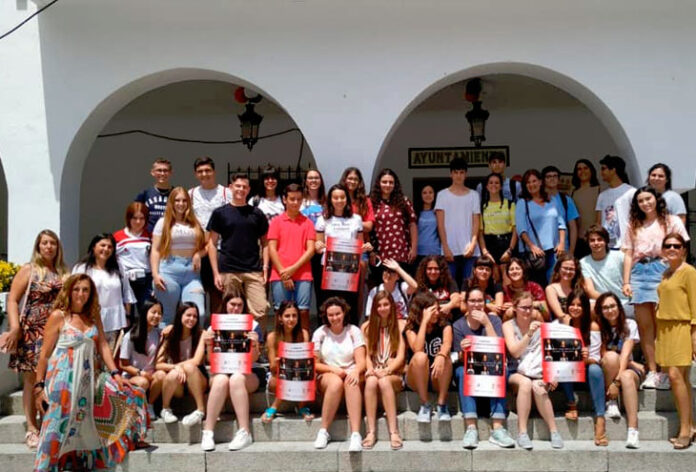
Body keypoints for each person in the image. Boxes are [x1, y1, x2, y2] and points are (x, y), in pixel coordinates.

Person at [33, 274, 148, 471]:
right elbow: (43, 355)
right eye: (76, 289)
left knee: (130, 396)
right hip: (62, 380)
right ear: (69, 291)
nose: (81, 294)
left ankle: (78, 462)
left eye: (85, 290)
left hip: (86, 379)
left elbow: (103, 345)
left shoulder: (93, 316)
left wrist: (115, 373)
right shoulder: (59, 316)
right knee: (55, 428)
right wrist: (38, 387)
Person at [0, 230, 67, 450]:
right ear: (38, 246)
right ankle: (31, 427)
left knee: (51, 378)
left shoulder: (63, 272)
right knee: (31, 379)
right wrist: (15, 327)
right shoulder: (29, 270)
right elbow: (12, 299)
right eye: (44, 243)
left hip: (56, 331)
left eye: (52, 243)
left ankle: (47, 423)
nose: (48, 247)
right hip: (32, 331)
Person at [621, 186, 689, 389]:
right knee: (645, 326)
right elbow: (628, 253)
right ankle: (652, 371)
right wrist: (626, 281)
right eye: (641, 201)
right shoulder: (633, 224)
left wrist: (678, 273)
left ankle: (666, 370)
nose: (645, 203)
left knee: (663, 324)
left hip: (663, 268)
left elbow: (682, 247)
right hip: (639, 271)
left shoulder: (671, 221)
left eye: (648, 199)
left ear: (656, 199)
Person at [200, 291, 264, 451]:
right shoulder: (214, 326)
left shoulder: (253, 325)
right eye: (232, 304)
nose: (235, 308)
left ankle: (244, 432)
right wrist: (209, 344)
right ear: (225, 305)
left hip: (248, 373)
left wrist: (254, 344)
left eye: (239, 305)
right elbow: (210, 360)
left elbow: (255, 359)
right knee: (221, 379)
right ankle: (208, 431)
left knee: (236, 378)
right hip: (221, 372)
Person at [454, 288, 515, 449]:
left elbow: (499, 351)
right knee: (463, 372)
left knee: (501, 370)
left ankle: (498, 428)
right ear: (466, 303)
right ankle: (471, 428)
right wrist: (462, 351)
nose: (476, 304)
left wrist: (487, 324)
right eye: (472, 301)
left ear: (485, 303)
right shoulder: (458, 325)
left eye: (480, 301)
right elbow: (456, 357)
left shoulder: (494, 320)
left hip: (490, 366)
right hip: (469, 367)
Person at [502, 291, 563, 450]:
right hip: (515, 371)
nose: (527, 311)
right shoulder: (508, 325)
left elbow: (549, 352)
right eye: (523, 308)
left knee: (538, 386)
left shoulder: (540, 324)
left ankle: (554, 431)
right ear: (515, 308)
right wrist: (529, 334)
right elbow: (515, 352)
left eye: (530, 307)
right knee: (526, 383)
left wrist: (551, 374)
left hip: (536, 372)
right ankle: (522, 432)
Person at [208, 173, 269, 320]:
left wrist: (265, 268)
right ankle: (231, 336)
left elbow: (265, 243)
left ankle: (255, 336)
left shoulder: (257, 214)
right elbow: (212, 244)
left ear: (249, 190)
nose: (241, 189)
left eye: (244, 187)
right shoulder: (220, 213)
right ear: (230, 187)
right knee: (231, 311)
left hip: (253, 270)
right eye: (238, 186)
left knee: (260, 310)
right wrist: (216, 273)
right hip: (229, 270)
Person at [656, 233, 696, 449]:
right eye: (668, 245)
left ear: (684, 250)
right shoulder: (666, 273)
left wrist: (694, 333)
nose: (672, 248)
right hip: (665, 328)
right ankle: (690, 426)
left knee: (675, 376)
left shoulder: (689, 272)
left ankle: (684, 431)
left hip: (682, 327)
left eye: (676, 246)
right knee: (680, 379)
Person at [312, 297, 366, 451]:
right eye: (331, 315)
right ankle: (323, 431)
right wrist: (333, 370)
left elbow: (361, 361)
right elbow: (314, 363)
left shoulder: (353, 331)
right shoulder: (320, 333)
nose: (334, 318)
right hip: (328, 372)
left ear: (344, 313)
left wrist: (355, 371)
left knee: (352, 382)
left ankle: (355, 434)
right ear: (326, 316)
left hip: (351, 371)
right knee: (335, 383)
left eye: (338, 314)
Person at [554, 289, 607, 445]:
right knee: (564, 364)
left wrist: (583, 359)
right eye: (572, 304)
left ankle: (600, 418)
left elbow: (595, 359)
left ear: (585, 308)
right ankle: (571, 403)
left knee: (595, 370)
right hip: (565, 375)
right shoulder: (559, 325)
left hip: (587, 372)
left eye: (579, 305)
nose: (575, 308)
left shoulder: (593, 327)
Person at [150, 187, 207, 326]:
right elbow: (155, 250)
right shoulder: (163, 222)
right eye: (177, 200)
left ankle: (192, 340)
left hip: (192, 273)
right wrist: (155, 274)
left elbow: (207, 245)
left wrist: (198, 254)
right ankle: (164, 340)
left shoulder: (196, 222)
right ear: (171, 202)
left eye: (184, 200)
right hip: (169, 270)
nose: (181, 204)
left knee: (198, 313)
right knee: (167, 316)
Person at [595, 292, 643, 449]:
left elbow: (626, 354)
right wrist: (632, 363)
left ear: (619, 307)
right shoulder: (599, 327)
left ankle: (633, 430)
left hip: (627, 370)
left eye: (612, 306)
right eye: (605, 308)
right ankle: (612, 401)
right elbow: (602, 355)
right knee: (610, 357)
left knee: (627, 377)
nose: (610, 310)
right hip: (610, 367)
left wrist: (616, 382)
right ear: (601, 311)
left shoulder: (630, 324)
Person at [315, 184, 370, 318]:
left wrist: (366, 247)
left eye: (342, 197)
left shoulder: (356, 219)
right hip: (329, 268)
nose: (339, 200)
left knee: (349, 303)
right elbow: (319, 247)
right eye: (335, 198)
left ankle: (351, 328)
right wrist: (318, 246)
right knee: (329, 303)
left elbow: (360, 244)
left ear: (347, 199)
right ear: (330, 200)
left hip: (350, 268)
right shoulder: (323, 219)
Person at [361, 291, 406, 450]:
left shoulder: (400, 325)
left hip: (393, 373)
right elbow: (367, 355)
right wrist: (370, 369)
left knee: (384, 381)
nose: (382, 308)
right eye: (379, 305)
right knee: (371, 382)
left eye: (386, 304)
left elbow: (400, 356)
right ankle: (371, 432)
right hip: (375, 370)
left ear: (392, 306)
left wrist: (387, 370)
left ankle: (394, 432)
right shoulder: (367, 327)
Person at [73, 233, 135, 347]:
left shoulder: (119, 267)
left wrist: (127, 316)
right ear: (94, 247)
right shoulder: (82, 268)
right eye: (102, 245)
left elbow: (127, 293)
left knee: (109, 353)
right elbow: (74, 294)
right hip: (88, 319)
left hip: (114, 322)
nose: (106, 249)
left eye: (110, 247)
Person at [268, 183, 316, 330]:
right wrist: (284, 273)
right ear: (285, 199)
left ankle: (304, 341)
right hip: (279, 273)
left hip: (303, 273)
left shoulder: (308, 223)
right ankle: (280, 342)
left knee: (303, 311)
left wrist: (293, 269)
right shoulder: (276, 222)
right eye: (292, 199)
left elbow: (311, 250)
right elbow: (272, 249)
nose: (295, 202)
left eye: (299, 199)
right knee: (281, 311)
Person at [188, 157, 233, 312]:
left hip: (220, 250)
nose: (204, 174)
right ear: (195, 174)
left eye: (207, 170)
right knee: (198, 292)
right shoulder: (191, 194)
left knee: (218, 293)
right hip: (198, 250)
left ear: (214, 172)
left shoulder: (227, 193)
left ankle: (215, 325)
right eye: (200, 171)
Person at [156, 302, 208, 428]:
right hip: (179, 382)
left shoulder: (201, 334)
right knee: (173, 374)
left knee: (189, 367)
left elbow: (196, 361)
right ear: (180, 315)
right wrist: (175, 367)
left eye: (195, 316)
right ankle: (165, 409)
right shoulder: (171, 334)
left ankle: (200, 410)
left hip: (197, 378)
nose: (192, 319)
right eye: (188, 315)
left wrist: (178, 366)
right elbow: (158, 364)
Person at [404, 291, 453, 423]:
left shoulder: (444, 324)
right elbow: (417, 349)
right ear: (422, 311)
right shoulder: (410, 328)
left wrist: (441, 355)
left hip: (437, 376)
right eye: (433, 310)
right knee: (420, 357)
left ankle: (442, 404)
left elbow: (447, 344)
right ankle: (425, 404)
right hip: (416, 377)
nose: (437, 313)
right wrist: (424, 322)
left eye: (437, 309)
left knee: (445, 357)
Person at [261, 301, 312, 423]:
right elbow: (272, 367)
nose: (291, 319)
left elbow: (306, 361)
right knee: (287, 374)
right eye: (287, 316)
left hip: (299, 372)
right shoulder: (272, 337)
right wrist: (279, 361)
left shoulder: (303, 334)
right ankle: (286, 407)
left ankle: (280, 407)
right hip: (278, 375)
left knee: (304, 373)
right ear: (280, 318)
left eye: (294, 316)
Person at [516, 169, 566, 286]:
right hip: (536, 253)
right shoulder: (523, 203)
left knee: (554, 282)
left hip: (554, 250)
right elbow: (521, 229)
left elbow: (561, 224)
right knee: (537, 285)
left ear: (540, 182)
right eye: (528, 182)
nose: (531, 184)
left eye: (534, 181)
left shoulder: (551, 200)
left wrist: (562, 243)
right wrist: (532, 246)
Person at [435, 157, 481, 287]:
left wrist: (473, 245)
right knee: (450, 286)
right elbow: (440, 224)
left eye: (461, 172)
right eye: (456, 172)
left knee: (470, 286)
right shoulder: (442, 195)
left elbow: (476, 222)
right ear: (451, 174)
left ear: (466, 174)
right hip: (450, 250)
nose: (458, 176)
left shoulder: (474, 195)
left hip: (470, 250)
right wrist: (445, 247)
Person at [370, 168, 417, 275]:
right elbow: (367, 230)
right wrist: (371, 252)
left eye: (391, 182)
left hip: (401, 252)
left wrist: (414, 248)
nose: (388, 185)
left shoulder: (404, 201)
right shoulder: (371, 202)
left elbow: (412, 224)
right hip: (380, 254)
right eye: (384, 182)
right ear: (378, 183)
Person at [119, 299, 166, 407]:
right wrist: (140, 373)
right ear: (145, 312)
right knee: (143, 382)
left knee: (161, 375)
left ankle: (149, 406)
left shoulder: (158, 333)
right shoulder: (130, 336)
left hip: (151, 375)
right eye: (153, 312)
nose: (156, 316)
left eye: (159, 313)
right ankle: (137, 408)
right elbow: (123, 364)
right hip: (134, 376)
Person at [340, 167, 375, 311]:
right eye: (350, 178)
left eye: (355, 179)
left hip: (360, 250)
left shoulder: (365, 201)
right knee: (341, 288)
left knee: (358, 289)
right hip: (340, 248)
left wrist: (349, 222)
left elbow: (369, 226)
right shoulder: (339, 198)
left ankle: (356, 320)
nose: (352, 181)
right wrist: (358, 223)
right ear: (344, 179)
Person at [580, 225, 634, 318]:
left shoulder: (620, 257)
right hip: (601, 301)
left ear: (606, 241)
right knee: (589, 309)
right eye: (592, 240)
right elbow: (590, 291)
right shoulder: (583, 263)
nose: (596, 243)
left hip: (624, 301)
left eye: (599, 239)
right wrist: (609, 301)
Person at [114, 202, 153, 320]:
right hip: (125, 279)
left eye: (142, 218)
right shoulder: (118, 236)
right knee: (126, 316)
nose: (138, 222)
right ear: (128, 218)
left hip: (145, 279)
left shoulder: (150, 236)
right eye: (134, 218)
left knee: (146, 313)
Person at [477, 173, 517, 282]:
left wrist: (510, 250)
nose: (493, 185)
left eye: (497, 183)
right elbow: (480, 232)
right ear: (486, 186)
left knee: (507, 278)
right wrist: (485, 252)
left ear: (501, 186)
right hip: (489, 244)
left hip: (506, 243)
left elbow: (515, 230)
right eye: (490, 183)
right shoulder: (482, 206)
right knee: (492, 278)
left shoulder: (510, 204)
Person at [595, 155, 635, 249]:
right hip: (606, 245)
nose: (601, 173)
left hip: (626, 245)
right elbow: (598, 222)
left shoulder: (631, 192)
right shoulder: (602, 196)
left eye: (603, 169)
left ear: (613, 170)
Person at [301, 169, 327, 305]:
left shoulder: (326, 202)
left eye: (316, 178)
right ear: (305, 181)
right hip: (302, 249)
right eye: (310, 178)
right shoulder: (300, 201)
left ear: (321, 181)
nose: (313, 181)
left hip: (320, 250)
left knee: (321, 289)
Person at [542, 165, 580, 256]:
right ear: (543, 180)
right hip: (541, 249)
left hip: (561, 248)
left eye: (555, 176)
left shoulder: (566, 200)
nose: (552, 179)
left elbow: (573, 227)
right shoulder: (537, 200)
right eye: (548, 176)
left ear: (559, 179)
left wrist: (571, 251)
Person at [571, 159, 601, 258]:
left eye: (585, 168)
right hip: (578, 240)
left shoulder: (599, 190)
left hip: (595, 238)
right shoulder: (573, 192)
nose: (582, 171)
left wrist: (594, 233)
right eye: (579, 169)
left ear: (591, 170)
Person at [135, 158, 174, 233]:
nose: (162, 173)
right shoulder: (145, 194)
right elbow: (134, 215)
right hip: (149, 235)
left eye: (165, 170)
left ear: (170, 173)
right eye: (159, 170)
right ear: (152, 172)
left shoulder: (176, 194)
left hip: (170, 235)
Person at [545, 255, 585, 322]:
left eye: (571, 269)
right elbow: (560, 314)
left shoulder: (580, 288)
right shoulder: (551, 289)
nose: (568, 272)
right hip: (561, 323)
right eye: (565, 268)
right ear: (559, 269)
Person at [416, 184, 441, 260]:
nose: (428, 195)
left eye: (430, 192)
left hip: (436, 251)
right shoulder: (415, 213)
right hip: (419, 252)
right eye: (424, 193)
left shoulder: (438, 212)